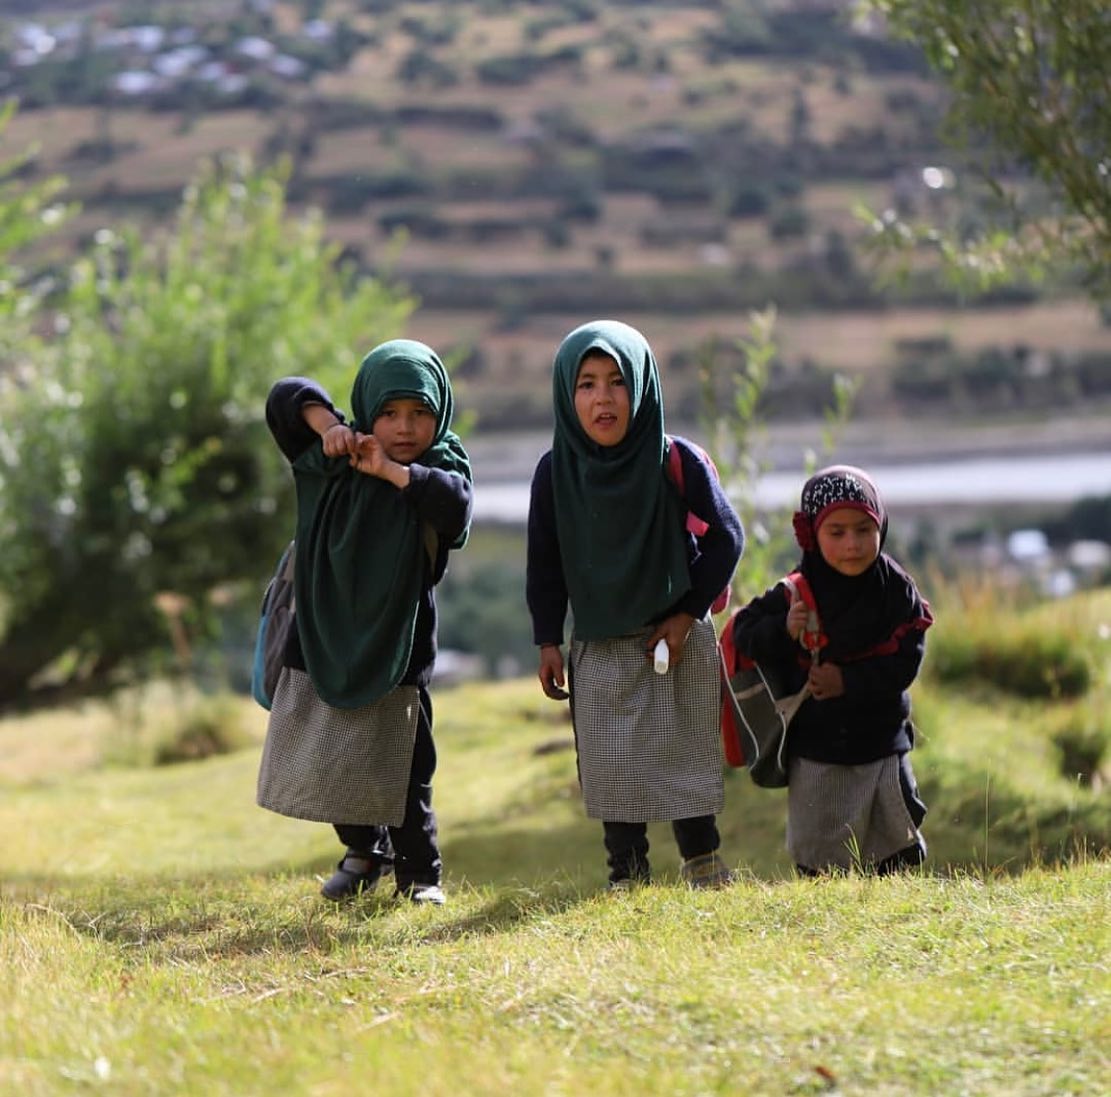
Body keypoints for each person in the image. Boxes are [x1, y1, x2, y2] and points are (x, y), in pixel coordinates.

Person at [526, 319, 744, 890]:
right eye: (587, 383)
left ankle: (702, 860)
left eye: (618, 381)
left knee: (683, 747)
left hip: (672, 638)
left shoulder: (676, 460)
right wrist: (547, 640)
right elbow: (545, 565)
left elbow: (727, 538)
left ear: (642, 387)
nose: (603, 397)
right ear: (566, 395)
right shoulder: (554, 475)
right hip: (599, 642)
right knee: (610, 761)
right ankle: (627, 873)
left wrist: (686, 613)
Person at [258, 339, 473, 905]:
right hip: (323, 634)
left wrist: (393, 473)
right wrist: (329, 425)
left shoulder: (439, 466)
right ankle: (363, 850)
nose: (405, 428)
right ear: (368, 409)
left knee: (406, 764)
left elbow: (455, 508)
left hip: (400, 643)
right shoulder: (335, 456)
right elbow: (284, 399)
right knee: (331, 753)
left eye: (420, 413)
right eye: (390, 413)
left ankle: (421, 877)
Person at [730, 465, 933, 875]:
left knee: (894, 846)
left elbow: (906, 660)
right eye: (836, 532)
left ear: (881, 526)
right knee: (821, 855)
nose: (853, 544)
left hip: (882, 745)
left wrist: (848, 681)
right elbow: (745, 634)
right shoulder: (796, 591)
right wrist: (784, 630)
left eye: (864, 529)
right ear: (811, 534)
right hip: (819, 750)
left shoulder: (896, 591)